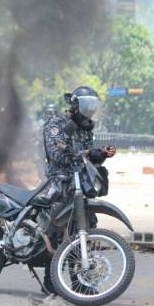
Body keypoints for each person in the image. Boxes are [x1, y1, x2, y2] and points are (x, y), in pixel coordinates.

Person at [37, 86, 116, 292]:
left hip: (82, 184)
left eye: (92, 106)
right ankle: (51, 281)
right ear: (74, 105)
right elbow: (58, 155)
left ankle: (79, 282)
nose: (89, 111)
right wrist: (89, 151)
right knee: (56, 232)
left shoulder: (85, 128)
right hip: (60, 183)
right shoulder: (56, 124)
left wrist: (101, 154)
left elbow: (86, 157)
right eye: (86, 105)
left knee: (83, 231)